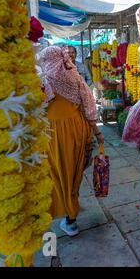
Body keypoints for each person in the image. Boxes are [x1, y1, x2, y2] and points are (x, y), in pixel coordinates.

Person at [39, 46, 104, 237]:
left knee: (58, 172)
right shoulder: (74, 75)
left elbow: (36, 108)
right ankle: (71, 212)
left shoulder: (43, 80)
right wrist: (97, 132)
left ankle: (68, 215)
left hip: (53, 133)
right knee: (74, 172)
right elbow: (89, 105)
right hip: (77, 129)